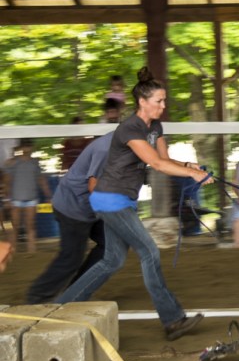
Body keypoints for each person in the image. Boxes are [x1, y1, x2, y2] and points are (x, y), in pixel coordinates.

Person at [54, 66, 213, 341]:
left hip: (123, 200)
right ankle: (173, 320)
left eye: (164, 100)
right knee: (149, 252)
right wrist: (192, 173)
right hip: (108, 199)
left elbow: (165, 158)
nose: (163, 106)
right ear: (143, 102)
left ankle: (62, 307)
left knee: (112, 260)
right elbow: (157, 164)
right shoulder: (129, 128)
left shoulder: (156, 127)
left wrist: (189, 165)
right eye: (158, 101)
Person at [26, 132, 113, 304]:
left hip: (90, 208)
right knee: (71, 258)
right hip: (73, 208)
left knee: (111, 245)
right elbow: (94, 188)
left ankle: (76, 291)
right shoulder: (105, 150)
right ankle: (38, 295)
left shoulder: (124, 149)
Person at [3, 138, 52, 254]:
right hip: (15, 199)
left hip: (31, 199)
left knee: (30, 226)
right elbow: (7, 181)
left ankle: (32, 251)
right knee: (15, 227)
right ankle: (12, 250)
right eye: (25, 146)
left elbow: (42, 180)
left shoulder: (35, 163)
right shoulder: (13, 163)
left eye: (28, 146)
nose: (27, 148)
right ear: (21, 147)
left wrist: (48, 195)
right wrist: (6, 198)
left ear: (32, 147)